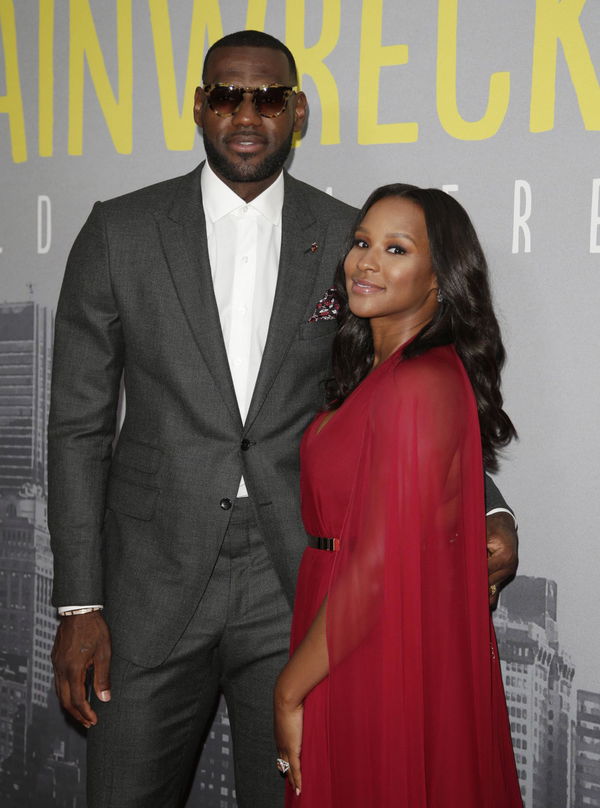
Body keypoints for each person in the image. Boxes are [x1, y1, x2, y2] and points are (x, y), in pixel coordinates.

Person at [48, 30, 518, 808]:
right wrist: (78, 603)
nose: (246, 113)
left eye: (267, 98)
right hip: (150, 585)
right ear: (199, 105)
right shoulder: (118, 233)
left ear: (296, 111)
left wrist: (490, 505)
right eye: (227, 94)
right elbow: (77, 429)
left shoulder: (349, 239)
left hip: (299, 583)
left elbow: (407, 396)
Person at [274, 184, 523, 807]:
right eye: (362, 243)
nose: (367, 261)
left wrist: (287, 691)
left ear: (440, 280)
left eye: (395, 248)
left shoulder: (419, 382)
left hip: (366, 641)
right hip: (339, 627)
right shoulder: (382, 372)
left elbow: (378, 570)